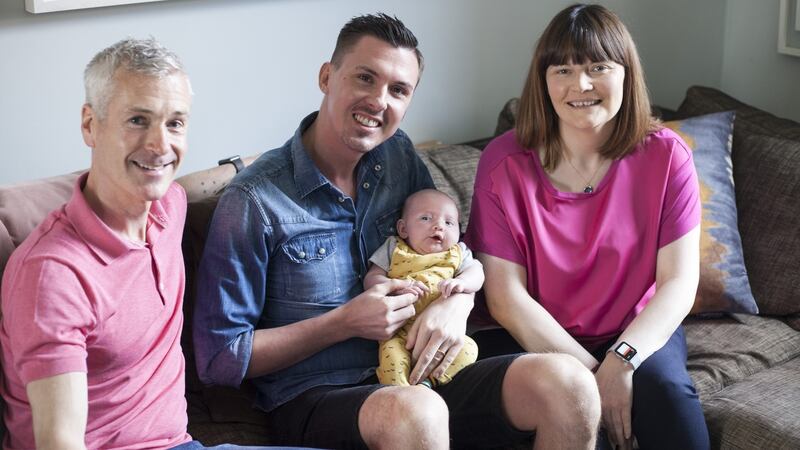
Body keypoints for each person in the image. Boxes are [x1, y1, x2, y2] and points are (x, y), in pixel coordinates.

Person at [194, 13, 601, 450]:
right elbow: (220, 359)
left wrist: (459, 302)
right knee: (415, 411)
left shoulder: (398, 156)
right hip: (317, 395)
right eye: (365, 78)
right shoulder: (254, 201)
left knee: (569, 382)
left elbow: (448, 249)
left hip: (427, 371)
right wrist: (342, 324)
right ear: (327, 77)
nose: (378, 100)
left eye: (398, 90)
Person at [0, 38, 305, 450]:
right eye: (138, 120)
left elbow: (185, 184)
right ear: (90, 124)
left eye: (175, 123)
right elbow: (60, 442)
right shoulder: (54, 274)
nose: (161, 146)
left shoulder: (166, 207)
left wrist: (265, 161)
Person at [464, 4, 710, 450]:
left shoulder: (667, 156)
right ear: (543, 82)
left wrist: (622, 359)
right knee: (549, 403)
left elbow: (679, 281)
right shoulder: (502, 163)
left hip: (635, 331)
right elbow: (505, 299)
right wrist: (593, 377)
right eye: (563, 70)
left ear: (625, 74)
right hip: (529, 337)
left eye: (598, 66)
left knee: (671, 400)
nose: (580, 85)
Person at [365, 189, 482, 387]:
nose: (439, 227)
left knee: (469, 349)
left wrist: (462, 284)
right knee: (391, 359)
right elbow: (372, 278)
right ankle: (403, 391)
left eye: (449, 222)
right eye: (426, 218)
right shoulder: (394, 247)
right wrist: (393, 287)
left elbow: (477, 273)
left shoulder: (459, 252)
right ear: (403, 229)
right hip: (399, 333)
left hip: (444, 333)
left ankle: (429, 382)